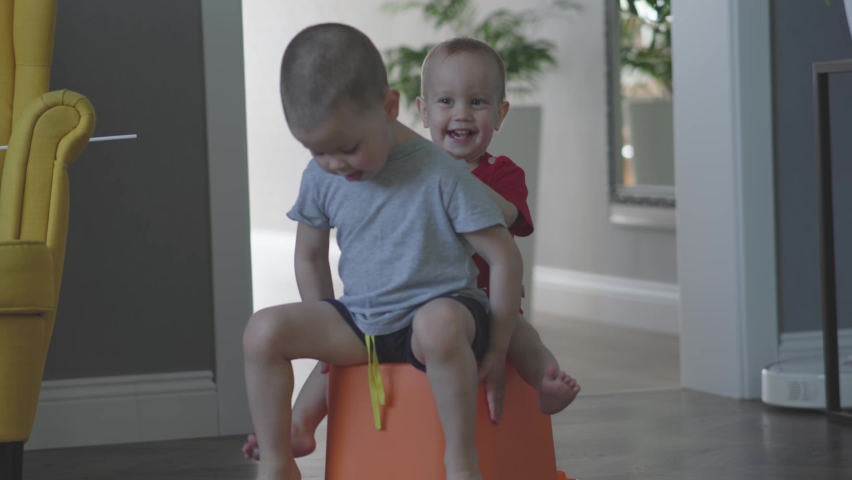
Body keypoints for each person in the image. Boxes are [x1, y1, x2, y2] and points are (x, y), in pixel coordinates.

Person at [243, 36, 581, 469]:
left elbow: (503, 255)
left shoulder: (442, 170)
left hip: (442, 316)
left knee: (440, 323)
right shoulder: (322, 173)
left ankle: (461, 460)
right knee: (262, 331)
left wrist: (496, 350)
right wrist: (325, 328)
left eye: (347, 149)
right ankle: (277, 461)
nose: (335, 165)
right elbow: (309, 256)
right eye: (317, 150)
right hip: (363, 321)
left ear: (388, 108)